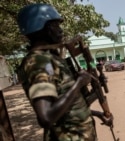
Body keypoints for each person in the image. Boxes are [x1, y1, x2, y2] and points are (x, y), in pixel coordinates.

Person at [16, 3, 112, 141]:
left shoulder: (51, 59)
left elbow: (67, 107)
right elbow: (47, 117)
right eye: (56, 26)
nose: (61, 31)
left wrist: (96, 113)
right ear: (42, 29)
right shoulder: (38, 62)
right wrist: (79, 83)